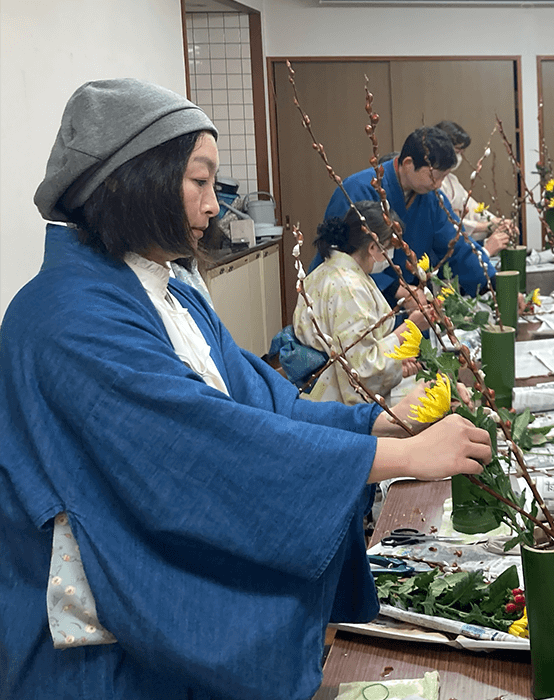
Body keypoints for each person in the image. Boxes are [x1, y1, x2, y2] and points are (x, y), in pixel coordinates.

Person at [0, 78, 491, 700]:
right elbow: (203, 440)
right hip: (97, 640)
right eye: (200, 182)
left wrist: (379, 424)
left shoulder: (167, 288)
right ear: (136, 182)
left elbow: (263, 399)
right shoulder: (67, 317)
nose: (215, 205)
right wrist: (397, 458)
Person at [322, 126, 495, 303]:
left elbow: (457, 246)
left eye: (444, 177)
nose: (438, 185)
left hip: (409, 297)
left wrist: (492, 283)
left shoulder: (433, 199)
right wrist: (393, 288)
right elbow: (337, 253)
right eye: (435, 177)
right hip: (354, 297)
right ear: (408, 164)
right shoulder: (358, 189)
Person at [294, 201, 427, 404]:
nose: (390, 256)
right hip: (333, 401)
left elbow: (356, 352)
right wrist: (409, 330)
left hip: (323, 386)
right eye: (389, 248)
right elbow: (360, 371)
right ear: (373, 247)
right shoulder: (348, 287)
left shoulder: (326, 271)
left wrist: (397, 363)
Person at [434, 120, 513, 255]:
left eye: (461, 152)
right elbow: (448, 222)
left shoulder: (453, 181)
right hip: (443, 247)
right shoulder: (432, 183)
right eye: (456, 151)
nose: (459, 157)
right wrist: (487, 226)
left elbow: (474, 208)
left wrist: (496, 221)